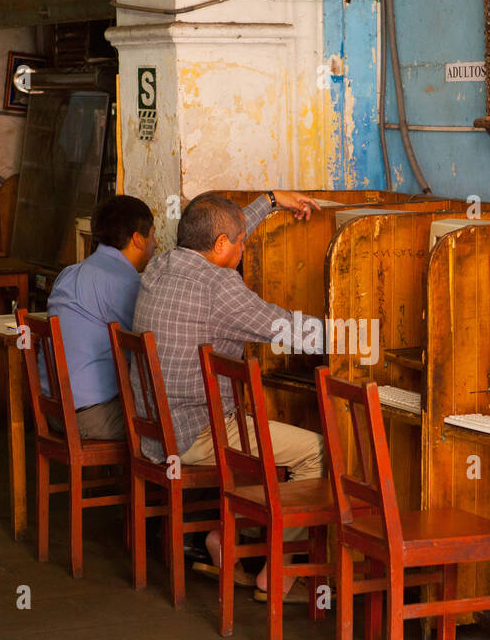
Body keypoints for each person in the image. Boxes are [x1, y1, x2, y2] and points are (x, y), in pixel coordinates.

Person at [133, 190, 323, 601]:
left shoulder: (160, 264)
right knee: (316, 452)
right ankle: (278, 575)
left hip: (155, 432)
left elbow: (224, 230)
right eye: (241, 243)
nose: (244, 249)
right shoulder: (219, 285)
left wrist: (271, 200)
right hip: (196, 434)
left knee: (265, 442)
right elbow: (288, 329)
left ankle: (226, 538)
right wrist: (358, 333)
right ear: (221, 245)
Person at [44, 194, 156, 439]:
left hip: (53, 410)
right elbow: (152, 348)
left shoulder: (69, 273)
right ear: (138, 239)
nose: (155, 244)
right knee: (170, 425)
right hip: (89, 417)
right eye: (152, 235)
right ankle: (146, 477)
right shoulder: (128, 283)